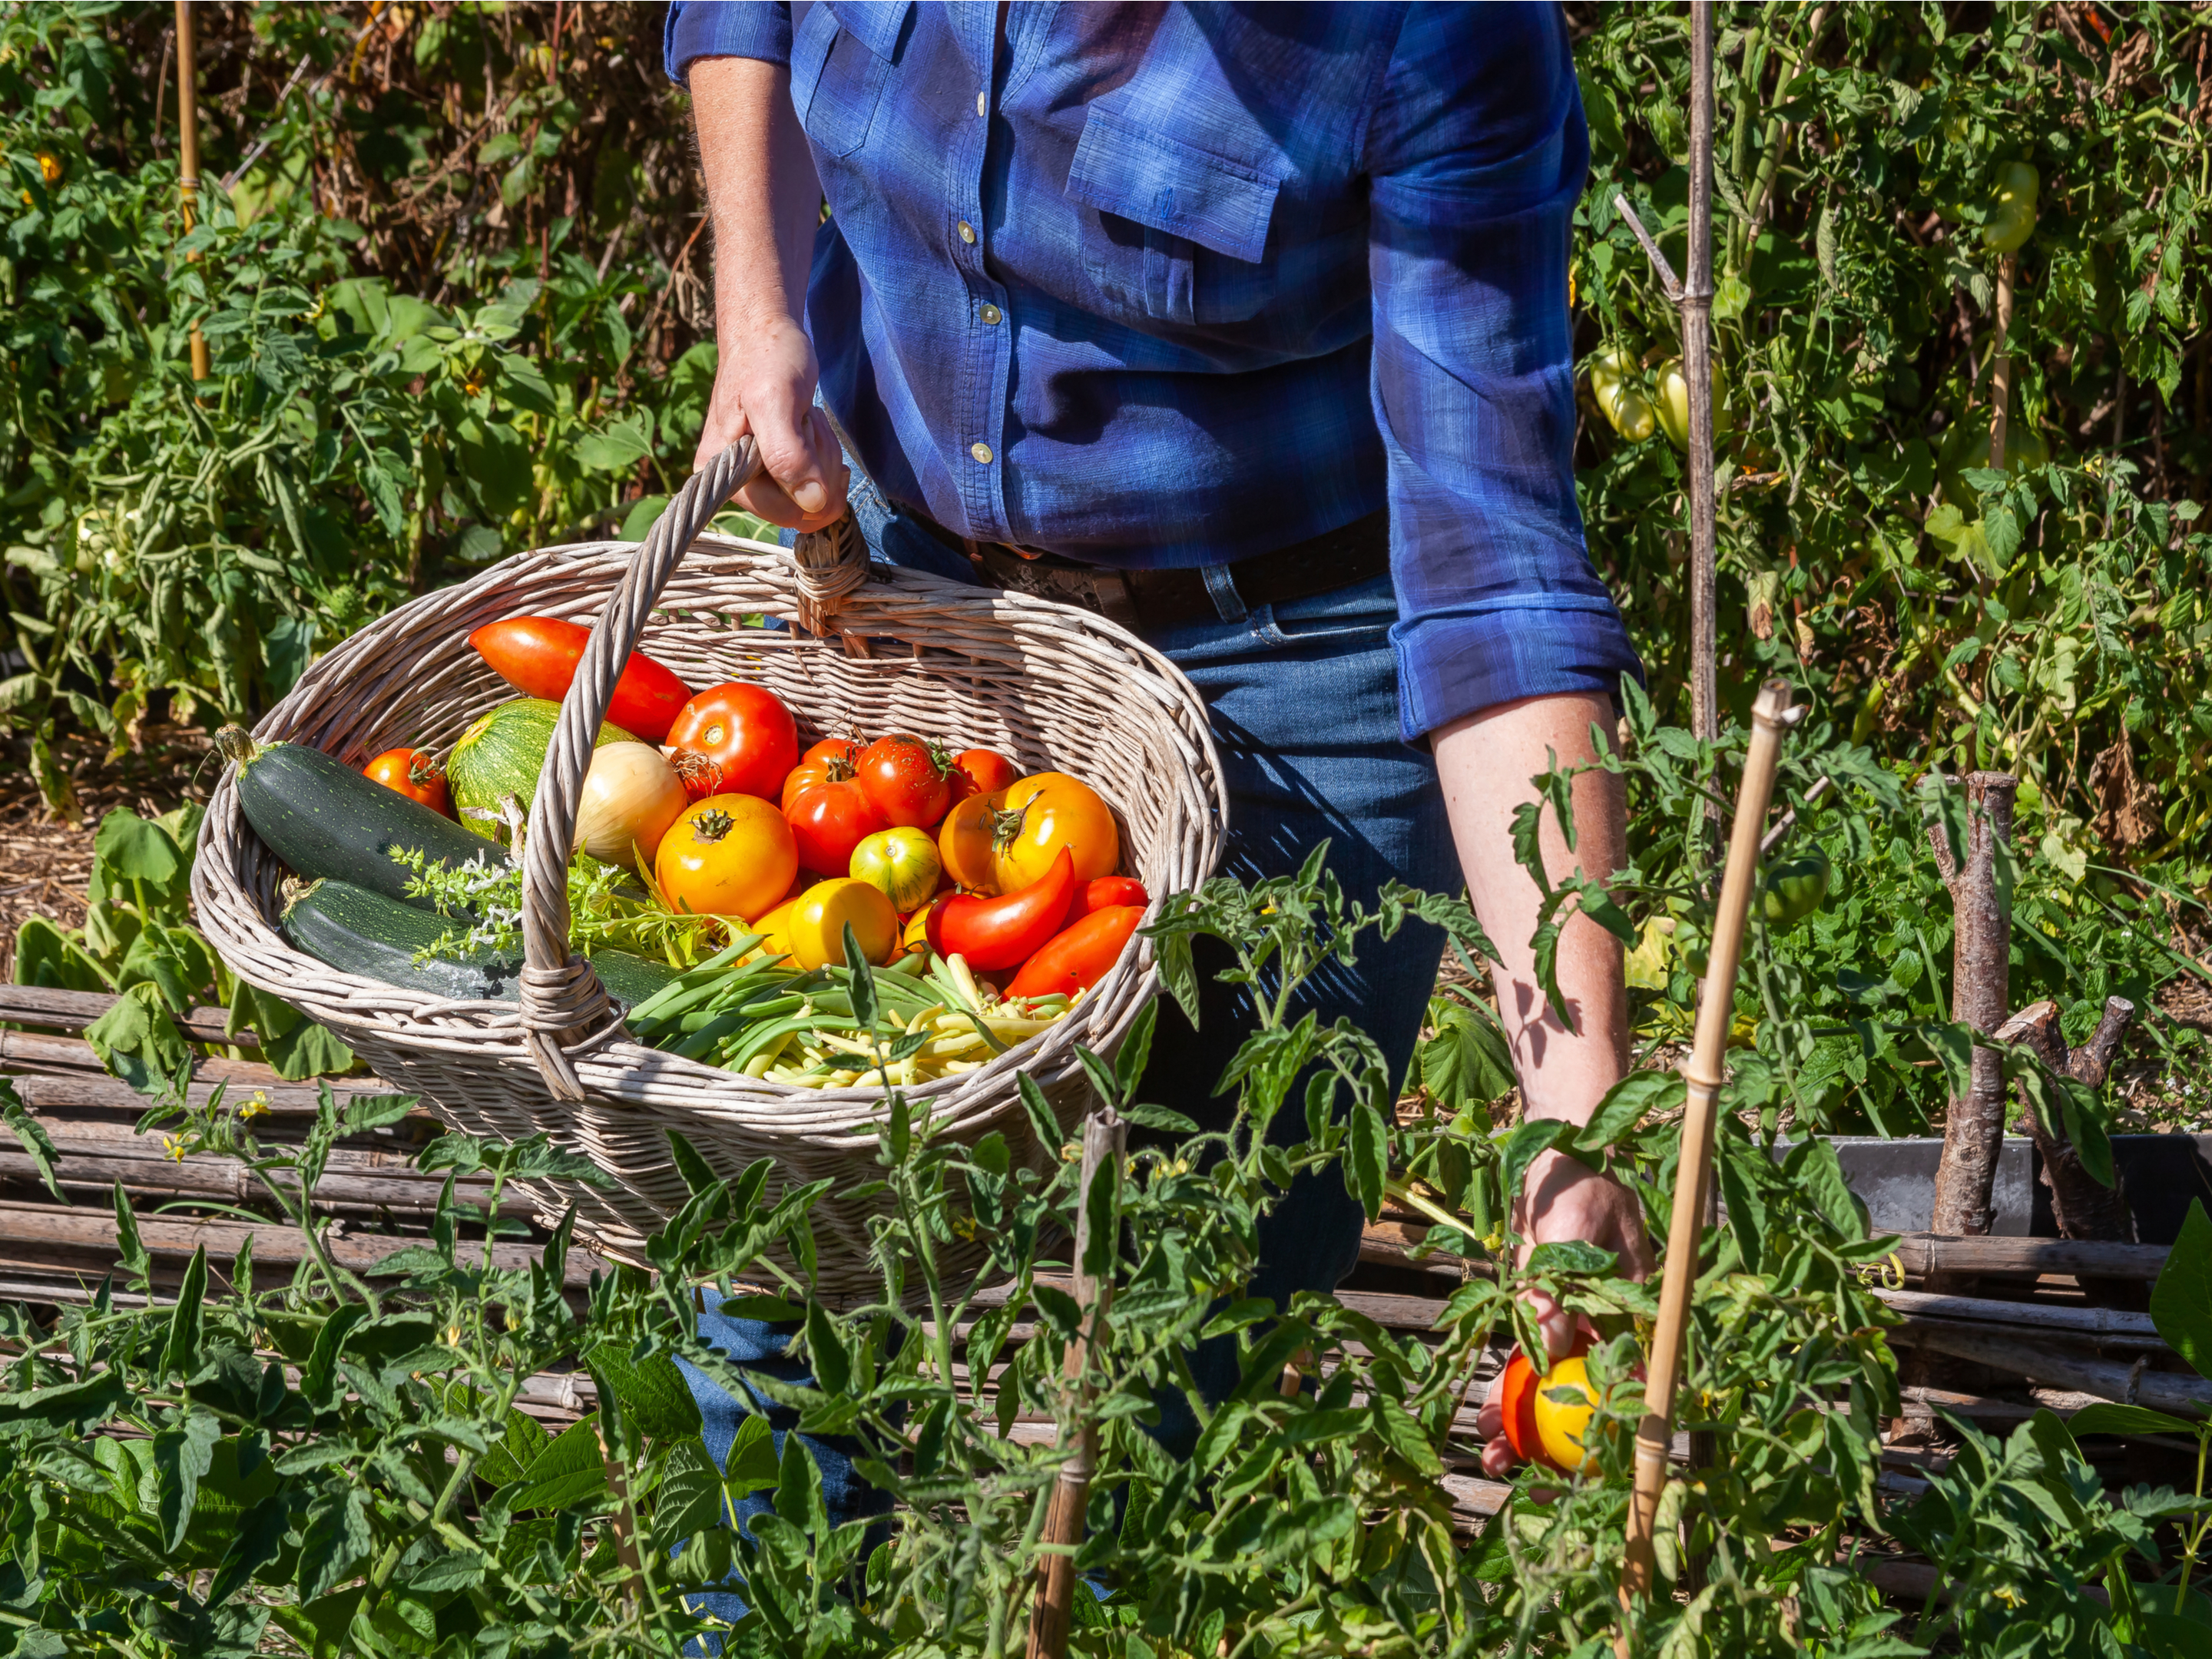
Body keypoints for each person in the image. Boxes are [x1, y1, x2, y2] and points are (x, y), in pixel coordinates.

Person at [663, 0, 1651, 1566]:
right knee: (786, 1258)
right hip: (920, 608)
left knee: (1203, 1316)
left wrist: (1577, 1121)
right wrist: (758, 304)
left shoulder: (1434, 29)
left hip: (1297, 669)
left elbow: (1495, 568)